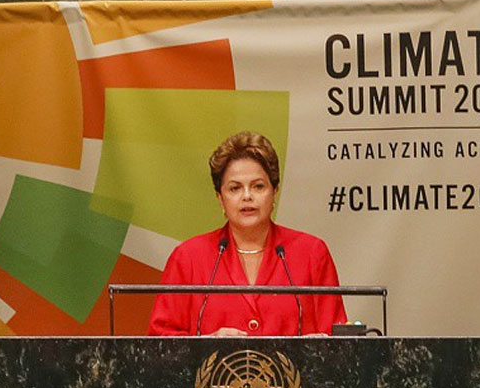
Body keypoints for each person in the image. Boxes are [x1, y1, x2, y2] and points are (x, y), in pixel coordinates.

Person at [148, 131, 346, 336]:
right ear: (220, 198)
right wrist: (207, 342)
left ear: (274, 192)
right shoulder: (188, 257)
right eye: (234, 188)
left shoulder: (311, 253)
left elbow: (337, 340)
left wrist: (318, 348)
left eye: (258, 186)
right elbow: (160, 345)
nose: (247, 196)